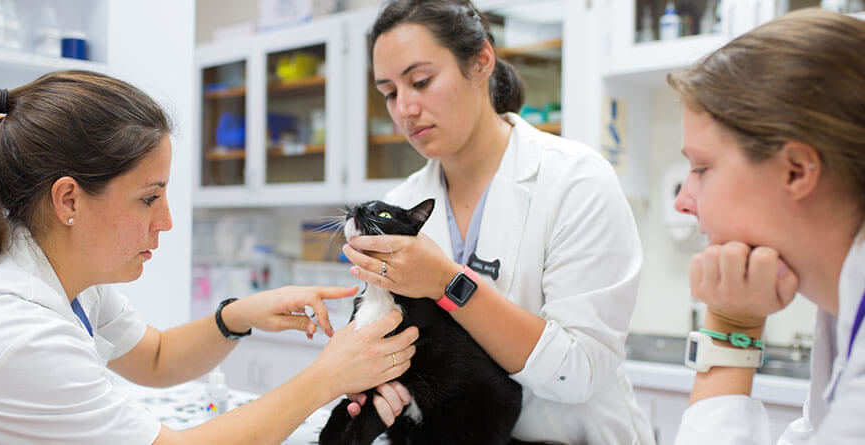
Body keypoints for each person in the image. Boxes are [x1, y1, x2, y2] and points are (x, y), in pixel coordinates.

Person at [0, 70, 418, 444]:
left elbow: (154, 358)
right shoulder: (14, 332)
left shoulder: (56, 273)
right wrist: (326, 378)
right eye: (149, 198)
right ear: (68, 200)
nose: (167, 220)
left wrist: (237, 316)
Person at [339, 1, 655, 443]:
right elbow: (387, 344)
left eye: (421, 81)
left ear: (481, 61)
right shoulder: (400, 204)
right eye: (389, 92)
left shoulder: (576, 180)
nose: (405, 109)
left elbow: (579, 371)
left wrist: (448, 283)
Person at [668, 8, 865, 444]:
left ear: (796, 170)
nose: (683, 202)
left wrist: (730, 332)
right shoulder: (841, 312)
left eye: (702, 167)